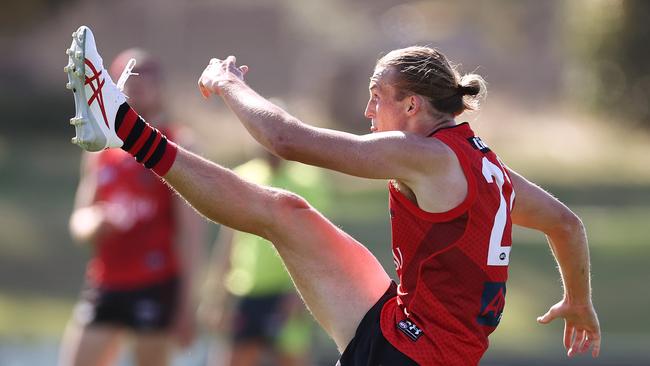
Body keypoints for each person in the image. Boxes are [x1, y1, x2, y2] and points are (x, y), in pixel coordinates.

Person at [64, 25, 601, 365]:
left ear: (412, 106)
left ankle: (122, 126)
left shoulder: (426, 155)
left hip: (408, 354)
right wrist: (579, 302)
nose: (369, 113)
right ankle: (121, 125)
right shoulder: (488, 168)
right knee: (284, 211)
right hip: (409, 328)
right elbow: (567, 224)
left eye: (377, 98)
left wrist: (227, 81)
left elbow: (287, 140)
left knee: (279, 214)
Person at [59, 47, 205, 366]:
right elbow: (80, 219)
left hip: (154, 283)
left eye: (146, 73)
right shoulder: (100, 148)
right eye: (127, 74)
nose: (136, 80)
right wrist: (93, 224)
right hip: (106, 281)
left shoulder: (176, 142)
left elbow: (191, 234)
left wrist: (186, 305)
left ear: (160, 87)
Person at [202, 151, 324, 366]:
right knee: (234, 359)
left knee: (291, 358)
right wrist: (217, 297)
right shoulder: (242, 177)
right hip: (245, 290)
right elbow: (228, 241)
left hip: (287, 290)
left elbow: (317, 243)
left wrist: (302, 293)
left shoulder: (309, 180)